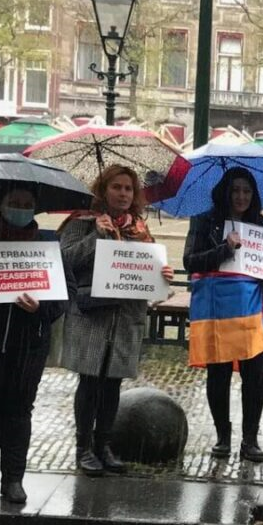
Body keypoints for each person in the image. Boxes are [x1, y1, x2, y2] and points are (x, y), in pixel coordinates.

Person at [0, 185, 75, 504]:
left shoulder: (47, 244)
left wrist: (43, 309)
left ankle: (13, 479)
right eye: (14, 203)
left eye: (27, 204)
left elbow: (67, 290)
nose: (21, 209)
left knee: (18, 413)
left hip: (28, 347)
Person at [59, 164, 174, 477]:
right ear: (103, 189)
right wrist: (97, 236)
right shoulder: (82, 221)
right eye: (116, 187)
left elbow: (149, 265)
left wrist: (162, 275)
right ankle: (83, 447)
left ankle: (103, 445)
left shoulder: (138, 226)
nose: (123, 194)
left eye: (128, 189)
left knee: (112, 383)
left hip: (125, 316)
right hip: (92, 314)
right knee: (90, 380)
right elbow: (65, 259)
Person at [183, 167, 263, 463]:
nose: (241, 196)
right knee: (219, 375)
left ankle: (250, 440)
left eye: (246, 191)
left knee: (254, 377)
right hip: (217, 311)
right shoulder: (204, 221)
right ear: (226, 191)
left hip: (252, 311)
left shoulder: (261, 224)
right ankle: (222, 436)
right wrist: (225, 249)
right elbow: (190, 261)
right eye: (235, 190)